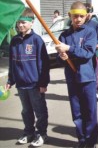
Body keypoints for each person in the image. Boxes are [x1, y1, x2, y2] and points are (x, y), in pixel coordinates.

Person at [55, 1, 98, 147]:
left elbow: (87, 53)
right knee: (77, 112)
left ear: (86, 16)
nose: (78, 19)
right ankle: (82, 140)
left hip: (87, 78)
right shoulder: (64, 35)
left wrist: (69, 49)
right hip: (72, 79)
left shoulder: (90, 31)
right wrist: (62, 57)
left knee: (90, 112)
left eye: (81, 16)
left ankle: (90, 142)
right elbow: (58, 60)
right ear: (69, 16)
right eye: (75, 16)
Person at [6, 8, 50, 147]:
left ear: (31, 23)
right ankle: (28, 133)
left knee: (40, 111)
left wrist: (43, 83)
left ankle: (41, 134)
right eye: (18, 23)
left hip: (35, 84)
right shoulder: (14, 41)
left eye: (23, 22)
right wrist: (10, 80)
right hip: (21, 84)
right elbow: (12, 63)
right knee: (26, 111)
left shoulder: (37, 41)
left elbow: (44, 64)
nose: (20, 25)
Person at [84, 3, 98, 100]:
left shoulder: (95, 24)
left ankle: (95, 91)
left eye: (90, 12)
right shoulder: (80, 24)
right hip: (83, 54)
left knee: (95, 73)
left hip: (93, 53)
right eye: (87, 12)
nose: (88, 14)